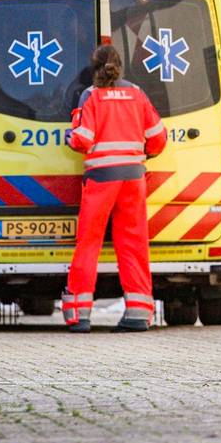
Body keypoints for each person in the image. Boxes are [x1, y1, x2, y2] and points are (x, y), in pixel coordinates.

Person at [61, 45, 166, 333]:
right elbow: (158, 137)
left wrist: (69, 136)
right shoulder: (136, 93)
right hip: (133, 178)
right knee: (133, 244)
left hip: (101, 179)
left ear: (95, 68)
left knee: (89, 243)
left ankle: (79, 315)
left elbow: (83, 139)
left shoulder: (91, 96)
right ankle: (138, 313)